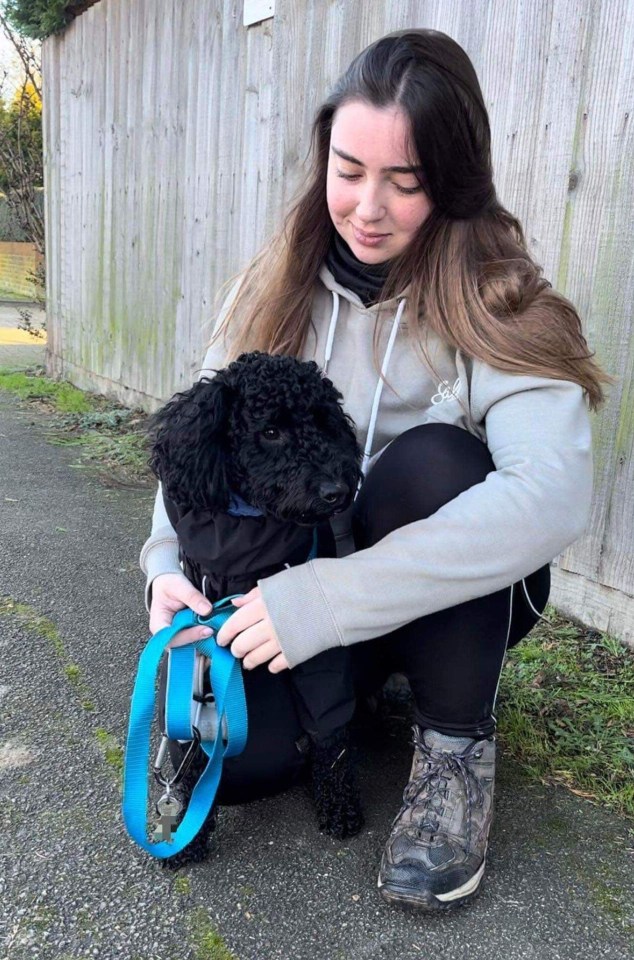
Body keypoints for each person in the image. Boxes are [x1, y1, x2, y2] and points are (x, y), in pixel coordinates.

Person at [140, 28, 609, 911]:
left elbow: (550, 496)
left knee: (438, 461)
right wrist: (166, 570)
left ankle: (453, 753)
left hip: (431, 599)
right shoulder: (268, 287)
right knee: (245, 771)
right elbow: (193, 448)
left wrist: (326, 599)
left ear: (455, 181)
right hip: (292, 592)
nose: (368, 206)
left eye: (407, 180)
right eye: (350, 169)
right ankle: (349, 698)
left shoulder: (503, 301)